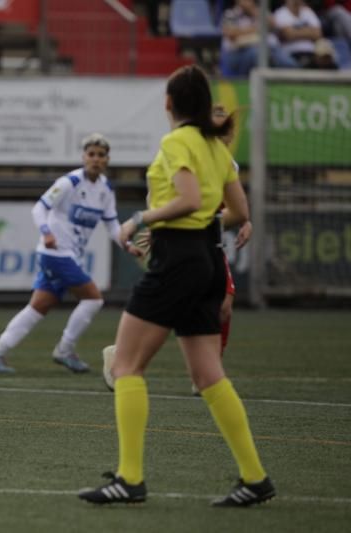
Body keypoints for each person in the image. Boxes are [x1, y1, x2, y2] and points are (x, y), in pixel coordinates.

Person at [79, 65, 274, 507]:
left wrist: (141, 219)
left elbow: (186, 200)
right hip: (207, 257)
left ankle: (130, 479)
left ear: (168, 103)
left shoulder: (178, 141)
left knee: (126, 366)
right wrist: (184, 224)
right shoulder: (214, 145)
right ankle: (255, 477)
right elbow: (239, 211)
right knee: (208, 374)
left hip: (179, 261)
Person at [102, 105, 254, 395]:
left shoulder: (226, 163)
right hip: (183, 242)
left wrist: (246, 221)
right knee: (176, 309)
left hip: (209, 242)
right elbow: (168, 199)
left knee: (220, 307)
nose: (223, 135)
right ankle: (122, 358)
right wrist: (150, 224)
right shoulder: (181, 152)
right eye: (217, 127)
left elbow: (234, 207)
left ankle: (206, 375)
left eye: (227, 130)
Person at [0, 134, 142, 375]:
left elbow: (111, 225)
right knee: (93, 298)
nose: (96, 159)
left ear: (107, 160)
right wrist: (46, 232)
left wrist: (127, 245)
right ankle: (65, 350)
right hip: (55, 253)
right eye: (91, 154)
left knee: (38, 306)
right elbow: (40, 208)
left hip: (69, 255)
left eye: (101, 155)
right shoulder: (69, 182)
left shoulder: (105, 189)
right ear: (83, 157)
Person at [273, 0, 323, 67]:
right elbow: (288, 34)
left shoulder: (307, 11)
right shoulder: (280, 13)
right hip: (291, 54)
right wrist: (309, 30)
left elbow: (318, 34)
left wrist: (295, 31)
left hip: (311, 53)